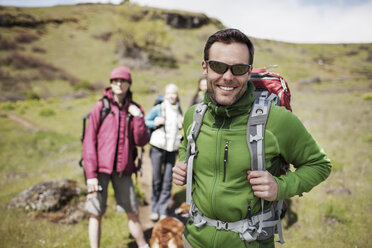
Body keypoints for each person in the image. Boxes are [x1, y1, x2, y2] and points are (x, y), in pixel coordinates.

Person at [172, 29, 332, 248]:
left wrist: (280, 187)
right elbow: (186, 145)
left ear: (248, 73)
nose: (227, 76)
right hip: (193, 239)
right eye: (218, 66)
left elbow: (319, 164)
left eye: (238, 69)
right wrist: (184, 164)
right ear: (205, 68)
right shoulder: (193, 115)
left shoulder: (277, 121)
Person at [83, 66, 150, 248]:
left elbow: (141, 140)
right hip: (99, 171)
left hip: (124, 169)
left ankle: (143, 245)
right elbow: (89, 142)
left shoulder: (135, 109)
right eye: (115, 81)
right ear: (111, 84)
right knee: (96, 213)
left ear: (129, 84)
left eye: (123, 81)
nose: (119, 84)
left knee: (133, 212)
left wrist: (138, 118)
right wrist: (90, 175)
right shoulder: (101, 106)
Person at [145, 83, 183, 221]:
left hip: (172, 149)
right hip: (158, 147)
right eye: (169, 93)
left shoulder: (179, 110)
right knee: (157, 179)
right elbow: (146, 121)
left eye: (174, 93)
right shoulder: (158, 108)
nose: (172, 96)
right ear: (165, 95)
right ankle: (154, 209)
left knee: (167, 180)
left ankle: (163, 209)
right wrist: (155, 122)